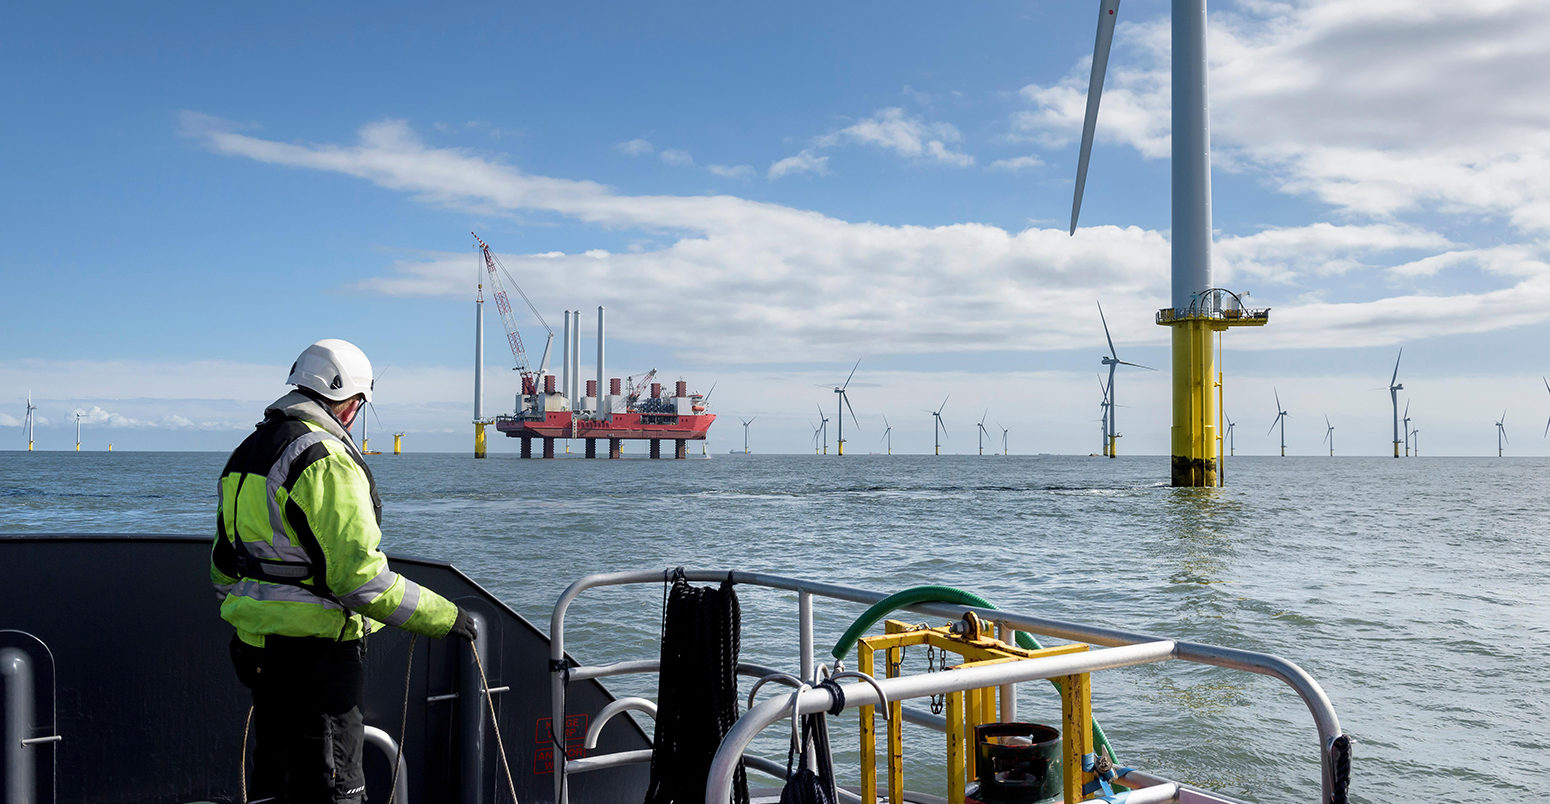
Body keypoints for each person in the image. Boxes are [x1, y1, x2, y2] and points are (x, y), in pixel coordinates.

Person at [210, 338, 477, 803]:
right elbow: (361, 581)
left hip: (258, 657)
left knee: (276, 786)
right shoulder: (324, 459)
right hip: (317, 666)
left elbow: (222, 569)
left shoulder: (247, 454)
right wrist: (446, 616)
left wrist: (260, 620)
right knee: (335, 790)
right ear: (351, 405)